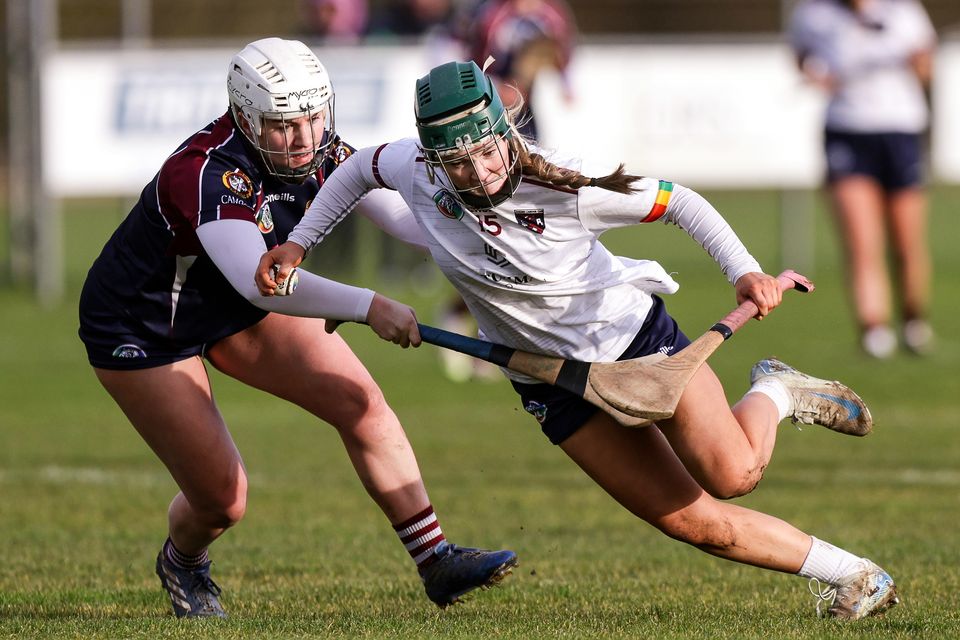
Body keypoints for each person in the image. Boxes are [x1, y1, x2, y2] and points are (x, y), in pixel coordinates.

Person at [257, 60, 900, 620]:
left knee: (733, 476)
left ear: (505, 133)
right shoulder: (414, 166)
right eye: (457, 163)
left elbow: (682, 202)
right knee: (692, 522)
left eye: (487, 151)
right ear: (431, 159)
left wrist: (743, 270)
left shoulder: (572, 184)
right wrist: (298, 242)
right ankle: (858, 576)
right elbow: (352, 174)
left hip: (633, 345)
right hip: (549, 378)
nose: (479, 174)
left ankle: (775, 391)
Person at [78, 39, 517, 618]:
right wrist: (368, 305)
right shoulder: (207, 172)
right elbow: (260, 282)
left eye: (313, 117)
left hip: (229, 310)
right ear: (244, 115)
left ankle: (436, 560)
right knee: (222, 501)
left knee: (360, 400)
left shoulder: (326, 150)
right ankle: (182, 560)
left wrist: (492, 215)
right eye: (283, 125)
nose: (305, 137)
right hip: (144, 325)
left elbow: (412, 224)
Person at [788, 0, 937, 358]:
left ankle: (914, 320)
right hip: (847, 131)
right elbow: (801, 56)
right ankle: (874, 329)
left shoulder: (903, 11)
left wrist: (916, 64)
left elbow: (926, 67)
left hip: (900, 131)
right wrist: (817, 76)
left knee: (906, 242)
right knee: (861, 241)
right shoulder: (813, 13)